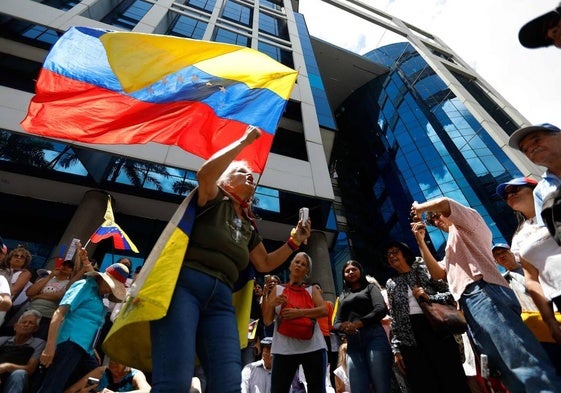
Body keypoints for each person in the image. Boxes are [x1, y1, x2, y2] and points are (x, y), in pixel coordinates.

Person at [149, 125, 311, 393]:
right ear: (225, 181)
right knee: (175, 381)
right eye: (241, 173)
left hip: (222, 302)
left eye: (251, 175)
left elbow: (265, 264)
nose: (250, 177)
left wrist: (294, 241)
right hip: (183, 289)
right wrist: (244, 142)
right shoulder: (212, 198)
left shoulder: (248, 226)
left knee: (228, 384)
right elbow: (205, 174)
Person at [410, 197, 561, 392]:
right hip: (469, 303)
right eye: (433, 221)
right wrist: (420, 241)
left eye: (437, 216)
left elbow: (445, 202)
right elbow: (437, 273)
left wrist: (419, 208)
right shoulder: (451, 247)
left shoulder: (468, 220)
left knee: (518, 356)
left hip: (484, 291)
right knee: (505, 368)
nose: (437, 221)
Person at [385, 241, 470, 393]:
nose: (391, 256)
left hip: (435, 328)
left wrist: (429, 297)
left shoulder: (424, 270)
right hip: (409, 338)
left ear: (405, 253)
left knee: (452, 378)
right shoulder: (391, 283)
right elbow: (395, 318)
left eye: (395, 252)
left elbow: (451, 295)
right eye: (388, 255)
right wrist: (396, 349)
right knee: (423, 383)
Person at [37, 258, 128, 393]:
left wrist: (92, 349)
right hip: (70, 343)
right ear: (102, 279)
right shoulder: (84, 286)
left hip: (86, 349)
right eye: (110, 285)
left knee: (95, 378)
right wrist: (49, 347)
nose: (110, 290)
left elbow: (90, 325)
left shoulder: (98, 296)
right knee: (53, 385)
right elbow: (59, 313)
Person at [496, 177, 561, 343]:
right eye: (506, 195)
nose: (510, 195)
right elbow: (531, 279)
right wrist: (549, 319)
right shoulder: (518, 237)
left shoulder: (556, 208)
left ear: (534, 189)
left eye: (515, 190)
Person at [262, 252, 327, 393]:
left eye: (303, 264)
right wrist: (271, 303)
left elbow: (324, 311)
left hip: (313, 347)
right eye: (297, 262)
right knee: (279, 390)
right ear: (290, 265)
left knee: (317, 390)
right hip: (284, 348)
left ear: (307, 271)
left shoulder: (312, 290)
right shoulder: (277, 289)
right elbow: (267, 321)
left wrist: (299, 313)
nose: (299, 265)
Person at [333, 260, 392, 393]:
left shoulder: (370, 288)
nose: (351, 272)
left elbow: (380, 309)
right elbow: (336, 322)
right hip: (353, 345)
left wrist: (358, 323)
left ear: (361, 271)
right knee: (358, 388)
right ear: (343, 276)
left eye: (354, 269)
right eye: (347, 271)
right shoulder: (342, 296)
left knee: (381, 385)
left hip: (374, 337)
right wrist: (344, 326)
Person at [507, 123, 561, 227]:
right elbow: (549, 231)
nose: (531, 148)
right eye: (525, 150)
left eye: (536, 140)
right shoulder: (539, 191)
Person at [24, 259, 77, 340]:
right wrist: (50, 276)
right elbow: (30, 292)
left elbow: (58, 296)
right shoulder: (46, 279)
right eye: (64, 265)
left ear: (72, 271)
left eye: (69, 267)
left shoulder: (69, 284)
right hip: (30, 311)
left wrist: (38, 296)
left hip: (47, 316)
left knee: (36, 340)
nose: (65, 267)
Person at [0, 309, 45, 393]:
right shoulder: (2, 340)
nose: (26, 325)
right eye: (24, 322)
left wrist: (7, 367)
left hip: (16, 380)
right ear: (15, 326)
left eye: (31, 323)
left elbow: (30, 369)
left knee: (19, 373)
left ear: (36, 329)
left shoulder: (39, 343)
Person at [491, 243, 539, 312]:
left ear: (512, 254)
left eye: (504, 252)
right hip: (533, 314)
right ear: (496, 262)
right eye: (497, 255)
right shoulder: (503, 282)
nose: (501, 256)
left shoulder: (531, 267)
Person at [64, 358, 151, 393]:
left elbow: (148, 391)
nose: (113, 368)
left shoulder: (135, 374)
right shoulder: (102, 371)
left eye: (117, 365)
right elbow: (71, 390)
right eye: (111, 363)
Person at [311, 282, 338, 389]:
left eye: (318, 288)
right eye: (313, 288)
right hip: (311, 337)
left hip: (326, 337)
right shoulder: (308, 305)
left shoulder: (328, 304)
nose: (316, 290)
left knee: (328, 365)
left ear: (321, 291)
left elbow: (332, 324)